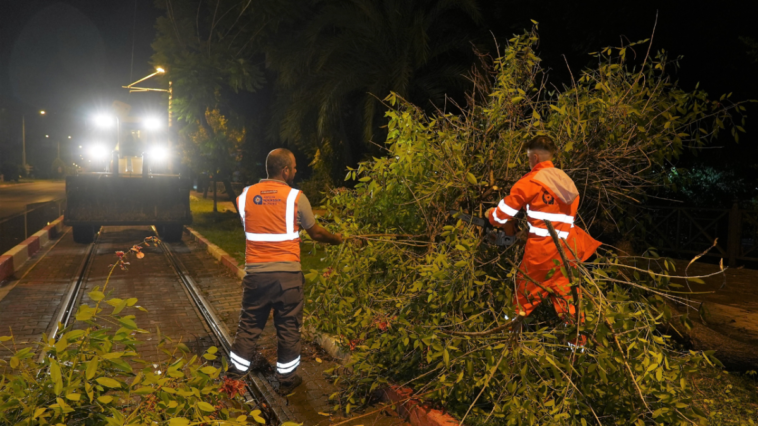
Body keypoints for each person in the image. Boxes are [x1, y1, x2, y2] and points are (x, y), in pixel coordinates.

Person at [228, 148, 343, 394]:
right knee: (289, 327)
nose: (296, 171)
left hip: (256, 276)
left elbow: (254, 226)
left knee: (249, 325)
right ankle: (287, 380)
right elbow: (317, 233)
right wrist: (338, 239)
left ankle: (235, 375)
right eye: (294, 167)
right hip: (287, 277)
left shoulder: (244, 197)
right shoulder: (296, 197)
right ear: (285, 170)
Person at [486, 136, 601, 340]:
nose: (528, 162)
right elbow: (555, 220)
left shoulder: (532, 181)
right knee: (570, 303)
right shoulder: (566, 182)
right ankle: (579, 351)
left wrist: (491, 216)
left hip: (541, 254)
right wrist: (529, 231)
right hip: (567, 251)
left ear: (535, 157)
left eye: (528, 158)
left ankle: (506, 343)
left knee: (522, 299)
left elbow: (504, 212)